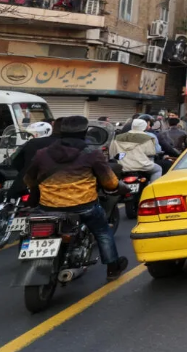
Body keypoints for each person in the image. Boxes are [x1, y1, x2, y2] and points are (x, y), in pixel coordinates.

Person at [23, 116, 129, 280]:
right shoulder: (92, 154)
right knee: (102, 231)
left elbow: (29, 179)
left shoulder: (42, 154)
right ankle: (113, 268)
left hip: (48, 207)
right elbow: (109, 182)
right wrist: (117, 188)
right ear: (85, 132)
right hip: (84, 205)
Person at [8, 121, 58, 199]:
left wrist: (24, 169)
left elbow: (17, 162)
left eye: (33, 134)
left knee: (12, 195)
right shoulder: (58, 142)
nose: (30, 136)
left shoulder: (32, 143)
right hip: (55, 180)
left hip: (30, 179)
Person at [110, 118, 162, 183]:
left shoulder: (117, 137)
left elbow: (112, 153)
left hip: (122, 166)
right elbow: (151, 153)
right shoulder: (148, 138)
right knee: (158, 170)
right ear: (144, 127)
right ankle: (152, 187)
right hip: (142, 165)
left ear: (132, 126)